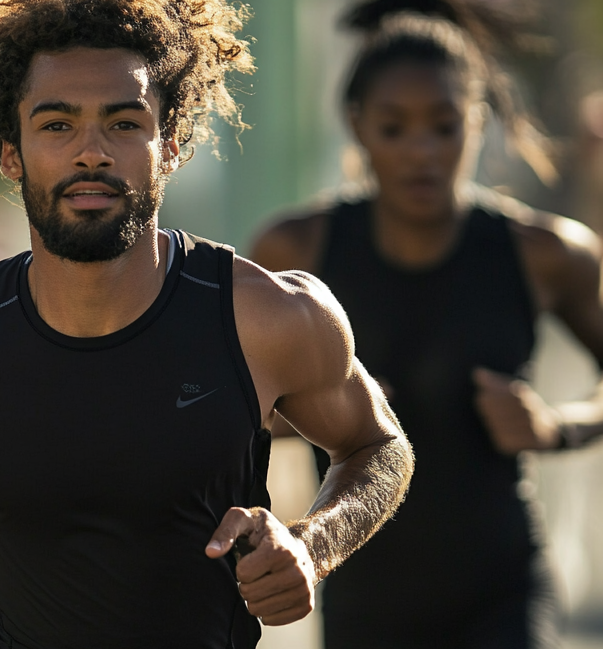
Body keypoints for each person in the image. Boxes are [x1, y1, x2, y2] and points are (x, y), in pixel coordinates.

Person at [0, 2, 414, 648]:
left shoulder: (270, 316)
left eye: (124, 123)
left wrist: (313, 543)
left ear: (170, 145)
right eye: (57, 124)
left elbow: (380, 446)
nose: (91, 152)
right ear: (10, 152)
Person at [251, 1, 603, 647]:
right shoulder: (295, 252)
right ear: (357, 125)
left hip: (501, 592)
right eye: (394, 128)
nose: (422, 151)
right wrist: (323, 413)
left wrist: (558, 426)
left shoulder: (544, 253)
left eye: (444, 127)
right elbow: (236, 406)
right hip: (362, 592)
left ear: (478, 121)